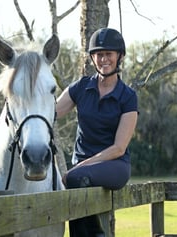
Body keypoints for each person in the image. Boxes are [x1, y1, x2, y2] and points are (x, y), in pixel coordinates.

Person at [56, 28, 138, 237]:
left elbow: (119, 148)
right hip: (82, 171)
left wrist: (80, 166)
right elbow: (50, 112)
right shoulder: (81, 87)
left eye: (108, 54)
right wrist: (1, 120)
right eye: (99, 55)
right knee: (75, 182)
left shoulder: (128, 97)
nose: (103, 60)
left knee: (76, 179)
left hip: (115, 165)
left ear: (119, 56)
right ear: (92, 58)